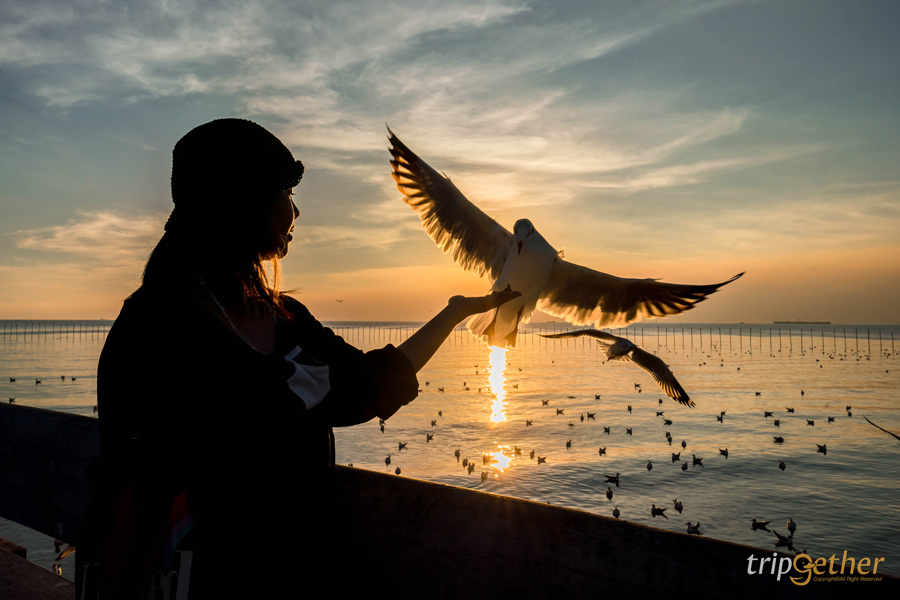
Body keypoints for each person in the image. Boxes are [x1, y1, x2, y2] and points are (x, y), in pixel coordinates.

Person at [78, 118, 519, 598]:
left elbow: (369, 384)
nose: (297, 211)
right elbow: (130, 487)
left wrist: (453, 314)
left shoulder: (285, 320)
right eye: (288, 193)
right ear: (246, 200)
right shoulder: (154, 325)